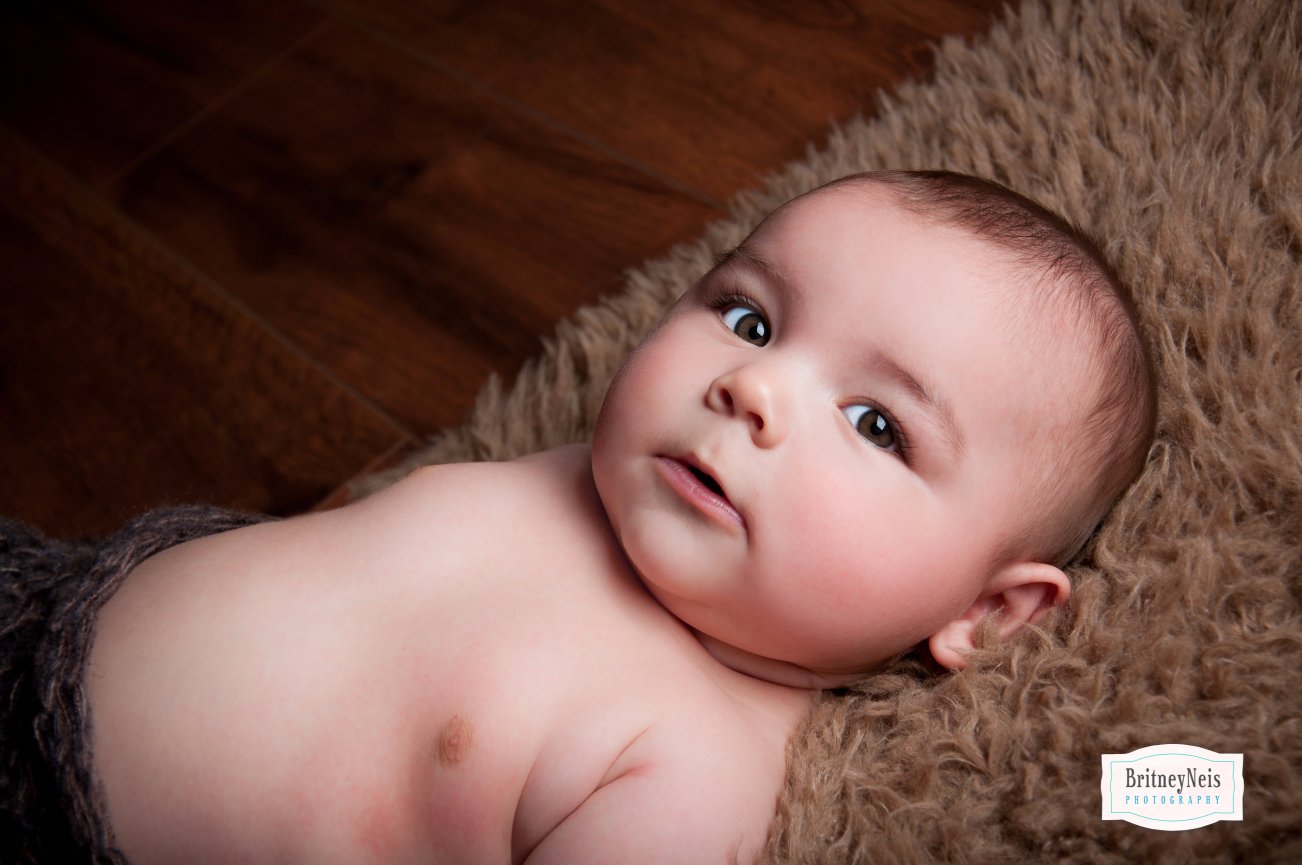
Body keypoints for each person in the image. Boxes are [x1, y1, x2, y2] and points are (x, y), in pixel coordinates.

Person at [10, 170, 1156, 864]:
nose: (749, 387)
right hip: (57, 591)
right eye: (752, 320)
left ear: (987, 610)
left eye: (875, 424)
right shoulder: (614, 473)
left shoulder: (691, 762)